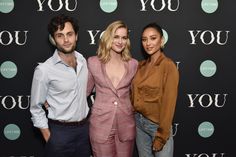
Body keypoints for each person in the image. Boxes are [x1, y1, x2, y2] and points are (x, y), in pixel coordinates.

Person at [30, 14, 91, 157]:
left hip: (84, 131)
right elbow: (35, 108)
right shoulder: (44, 70)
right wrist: (49, 138)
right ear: (53, 39)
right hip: (59, 133)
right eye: (59, 35)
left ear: (76, 36)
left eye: (69, 34)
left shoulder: (83, 61)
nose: (66, 40)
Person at [87, 20, 138, 157]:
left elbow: (137, 94)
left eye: (124, 37)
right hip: (100, 125)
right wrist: (55, 100)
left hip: (126, 125)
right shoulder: (93, 62)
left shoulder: (133, 64)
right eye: (116, 36)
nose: (120, 41)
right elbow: (83, 92)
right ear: (108, 37)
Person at [131, 22, 179, 157]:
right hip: (139, 124)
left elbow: (169, 104)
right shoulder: (141, 65)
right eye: (144, 39)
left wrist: (162, 136)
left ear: (161, 40)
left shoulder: (168, 66)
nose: (148, 43)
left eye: (153, 38)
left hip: (157, 127)